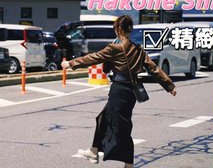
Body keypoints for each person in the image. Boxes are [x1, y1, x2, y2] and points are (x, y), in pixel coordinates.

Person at [62, 15, 176, 168]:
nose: (115, 31)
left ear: (120, 29)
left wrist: (70, 63)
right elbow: (153, 68)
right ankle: (94, 151)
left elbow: (93, 58)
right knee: (103, 119)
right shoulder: (138, 49)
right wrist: (169, 86)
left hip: (119, 91)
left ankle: (128, 165)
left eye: (115, 28)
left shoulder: (115, 48)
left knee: (122, 129)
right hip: (130, 92)